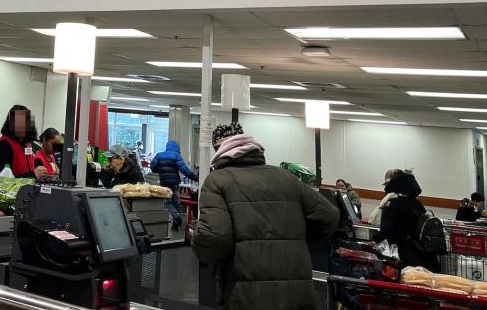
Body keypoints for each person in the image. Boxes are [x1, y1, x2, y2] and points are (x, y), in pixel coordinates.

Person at [192, 123, 339, 310]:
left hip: (248, 294)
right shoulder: (286, 177)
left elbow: (213, 239)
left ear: (219, 151)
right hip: (296, 293)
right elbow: (329, 216)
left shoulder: (218, 180)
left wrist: (196, 240)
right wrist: (293, 239)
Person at [374, 169, 441, 272]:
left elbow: (386, 231)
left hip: (402, 255)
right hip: (423, 256)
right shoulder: (418, 204)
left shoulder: (392, 204)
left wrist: (375, 241)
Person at [0, 105, 48, 179]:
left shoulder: (27, 144)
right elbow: (2, 179)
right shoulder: (4, 144)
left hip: (25, 188)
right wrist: (32, 175)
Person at [151, 140, 199, 230]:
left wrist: (160, 171)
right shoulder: (176, 155)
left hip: (164, 183)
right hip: (175, 183)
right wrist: (195, 178)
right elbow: (184, 169)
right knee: (176, 202)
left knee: (167, 202)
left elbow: (152, 166)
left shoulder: (159, 155)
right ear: (177, 148)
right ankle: (176, 221)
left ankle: (176, 220)